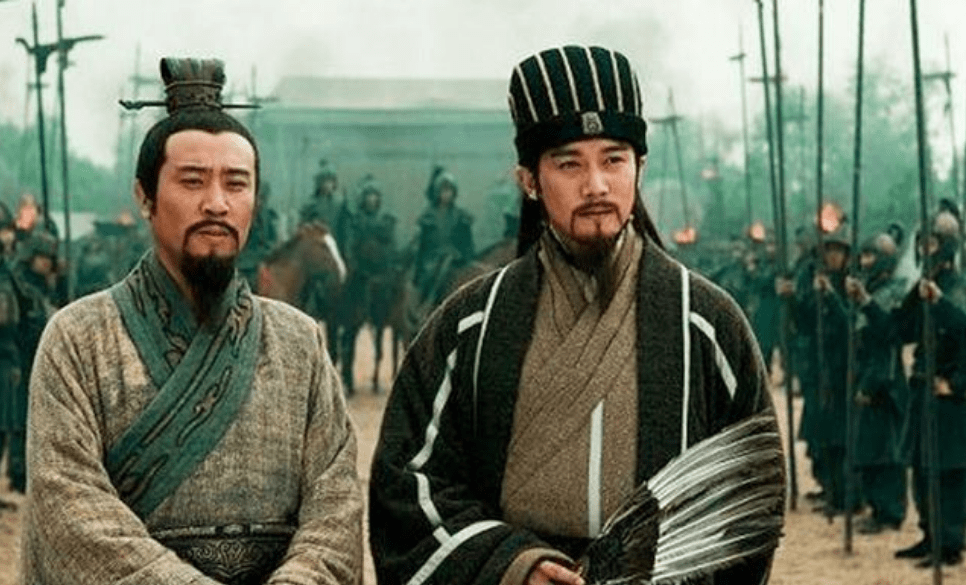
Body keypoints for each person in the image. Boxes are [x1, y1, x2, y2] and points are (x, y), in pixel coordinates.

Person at [369, 45, 784, 585]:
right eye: (569, 164)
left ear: (639, 168)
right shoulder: (470, 326)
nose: (596, 185)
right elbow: (408, 486)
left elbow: (750, 496)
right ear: (529, 180)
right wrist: (513, 565)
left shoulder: (705, 323)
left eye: (614, 159)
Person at [18, 58, 362, 585]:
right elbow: (70, 507)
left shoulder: (300, 343)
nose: (217, 203)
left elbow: (335, 507)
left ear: (255, 200)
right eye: (193, 181)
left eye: (237, 183)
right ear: (144, 197)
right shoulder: (77, 339)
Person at [893, 207, 966, 567]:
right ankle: (929, 535)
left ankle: (949, 542)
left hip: (949, 394)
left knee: (947, 472)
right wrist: (916, 297)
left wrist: (956, 384)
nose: (925, 250)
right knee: (921, 468)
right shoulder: (924, 288)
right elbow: (900, 331)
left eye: (932, 243)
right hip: (922, 389)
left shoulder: (958, 287)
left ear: (947, 246)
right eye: (921, 243)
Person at [844, 226, 909, 534]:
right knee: (868, 448)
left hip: (885, 382)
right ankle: (876, 507)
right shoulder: (868, 290)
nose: (865, 262)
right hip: (866, 374)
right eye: (864, 255)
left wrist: (872, 384)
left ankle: (890, 512)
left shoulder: (894, 293)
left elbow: (887, 340)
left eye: (871, 256)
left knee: (886, 453)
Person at [337, 175, 397, 395]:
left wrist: (385, 273)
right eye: (368, 196)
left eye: (375, 196)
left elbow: (390, 249)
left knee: (386, 312)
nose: (372, 199)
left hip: (379, 278)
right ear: (363, 199)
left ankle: (378, 373)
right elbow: (350, 246)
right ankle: (348, 375)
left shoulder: (385, 222)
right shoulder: (355, 221)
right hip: (359, 278)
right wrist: (356, 269)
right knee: (350, 328)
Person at [411, 166, 475, 308]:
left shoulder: (461, 216)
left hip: (457, 259)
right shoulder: (429, 216)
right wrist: (419, 271)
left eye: (449, 190)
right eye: (443, 191)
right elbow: (422, 247)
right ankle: (429, 305)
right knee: (436, 275)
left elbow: (468, 243)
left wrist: (467, 257)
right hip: (433, 260)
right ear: (437, 193)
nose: (446, 194)